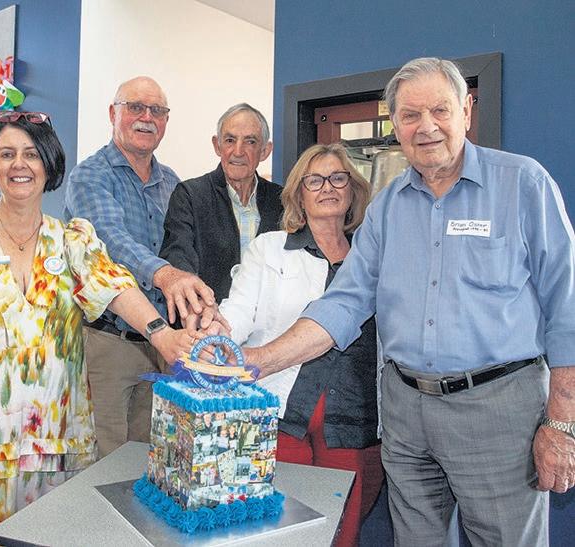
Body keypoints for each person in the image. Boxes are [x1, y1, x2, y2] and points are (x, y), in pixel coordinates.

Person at [241, 57, 575, 545]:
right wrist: (257, 361)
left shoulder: (523, 184)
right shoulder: (386, 207)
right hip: (405, 413)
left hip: (498, 410)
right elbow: (344, 303)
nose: (426, 127)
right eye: (411, 115)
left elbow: (567, 309)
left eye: (440, 110)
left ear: (466, 110)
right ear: (395, 125)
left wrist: (562, 422)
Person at [0, 111, 193, 545]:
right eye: (7, 154)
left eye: (31, 154)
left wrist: (162, 333)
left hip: (54, 450)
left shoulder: (72, 242)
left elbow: (114, 286)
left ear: (48, 164)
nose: (19, 164)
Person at [218, 143, 383, 547]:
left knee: (343, 533)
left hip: (354, 420)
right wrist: (217, 339)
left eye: (338, 178)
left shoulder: (374, 257)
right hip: (281, 414)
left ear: (353, 190)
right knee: (280, 532)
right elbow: (238, 310)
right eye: (315, 180)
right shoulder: (269, 248)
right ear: (298, 193)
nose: (327, 187)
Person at [64, 77, 214, 457]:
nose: (147, 117)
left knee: (152, 457)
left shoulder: (173, 184)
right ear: (112, 113)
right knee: (101, 463)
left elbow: (184, 250)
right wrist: (166, 275)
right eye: (135, 107)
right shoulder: (90, 176)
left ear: (166, 121)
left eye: (157, 110)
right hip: (107, 343)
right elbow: (109, 241)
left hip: (164, 346)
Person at [160, 103, 283, 304]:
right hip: (208, 316)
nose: (238, 151)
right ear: (217, 145)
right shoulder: (190, 195)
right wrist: (199, 304)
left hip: (269, 321)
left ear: (265, 151)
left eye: (250, 141)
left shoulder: (282, 201)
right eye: (230, 140)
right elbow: (178, 255)